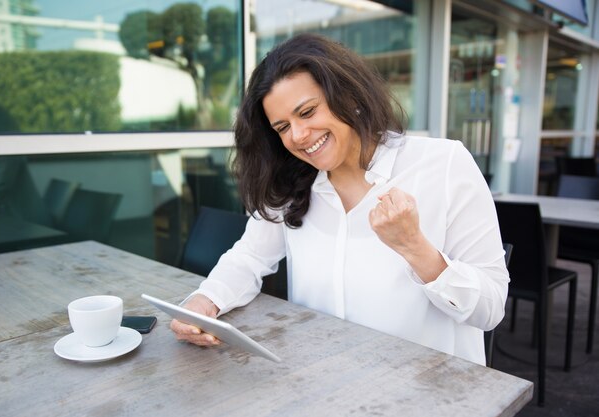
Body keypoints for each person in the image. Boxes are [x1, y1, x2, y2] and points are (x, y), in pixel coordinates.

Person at [170, 33, 509, 365]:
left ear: (349, 96)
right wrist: (204, 301)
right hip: (323, 381)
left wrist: (415, 247)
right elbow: (249, 257)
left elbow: (490, 309)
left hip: (429, 390)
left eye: (307, 112)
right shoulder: (290, 181)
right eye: (282, 127)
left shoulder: (444, 164)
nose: (298, 135)